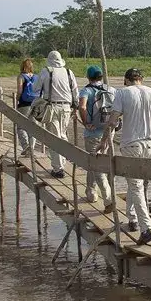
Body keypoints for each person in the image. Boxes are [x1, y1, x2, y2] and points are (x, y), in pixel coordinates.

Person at [98, 68, 151, 246]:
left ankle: (146, 229)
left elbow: (113, 121)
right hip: (149, 144)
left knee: (135, 185)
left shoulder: (123, 93)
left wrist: (104, 141)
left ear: (126, 80)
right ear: (141, 79)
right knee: (137, 182)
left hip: (131, 144)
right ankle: (132, 218)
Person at [32, 50, 78, 178]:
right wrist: (75, 106)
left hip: (52, 107)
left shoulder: (46, 71)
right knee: (63, 135)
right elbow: (75, 91)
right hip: (67, 108)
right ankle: (62, 162)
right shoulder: (69, 72)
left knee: (54, 136)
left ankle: (58, 169)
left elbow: (35, 88)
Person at [78, 65, 115, 212]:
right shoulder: (110, 89)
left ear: (88, 77)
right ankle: (91, 193)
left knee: (96, 166)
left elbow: (82, 107)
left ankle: (108, 200)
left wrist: (86, 122)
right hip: (108, 133)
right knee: (94, 163)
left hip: (93, 133)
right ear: (100, 77)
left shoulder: (86, 90)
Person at [15, 58, 37, 156]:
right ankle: (31, 149)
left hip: (24, 104)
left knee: (20, 126)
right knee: (32, 127)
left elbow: (19, 90)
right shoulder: (36, 77)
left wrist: (17, 99)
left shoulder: (21, 76)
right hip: (35, 103)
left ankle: (26, 147)